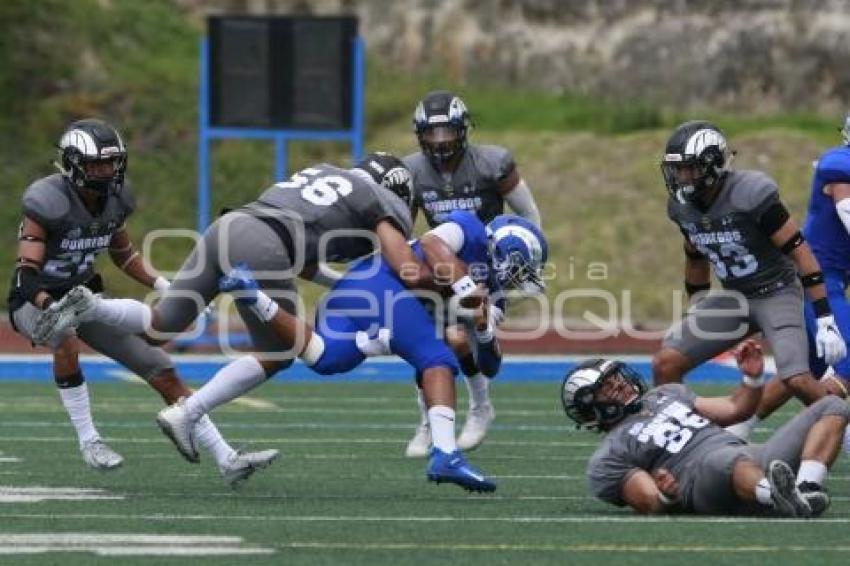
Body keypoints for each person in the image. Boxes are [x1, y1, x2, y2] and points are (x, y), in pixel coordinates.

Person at [34, 152, 424, 463]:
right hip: (264, 245)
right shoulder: (382, 200)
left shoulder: (329, 175)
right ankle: (186, 413)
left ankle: (89, 306)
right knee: (281, 352)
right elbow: (403, 266)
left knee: (161, 325)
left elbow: (303, 256)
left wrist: (340, 283)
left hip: (230, 226)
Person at [158, 211, 547, 493]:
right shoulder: (471, 228)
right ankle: (445, 454)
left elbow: (491, 364)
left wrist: (481, 327)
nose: (520, 280)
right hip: (380, 281)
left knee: (326, 359)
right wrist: (463, 288)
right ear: (510, 251)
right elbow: (432, 243)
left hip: (356, 293)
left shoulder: (493, 295)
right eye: (523, 268)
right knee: (437, 359)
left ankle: (251, 293)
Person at [9, 118, 277, 485]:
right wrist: (47, 304)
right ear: (73, 164)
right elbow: (26, 275)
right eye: (96, 164)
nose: (106, 172)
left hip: (84, 297)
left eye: (111, 162)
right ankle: (90, 441)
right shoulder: (47, 202)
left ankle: (227, 459)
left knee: (160, 367)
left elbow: (125, 255)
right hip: (34, 300)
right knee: (65, 339)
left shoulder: (114, 200)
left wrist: (166, 285)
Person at [652, 120, 847, 440]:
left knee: (797, 378)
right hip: (735, 298)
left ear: (713, 164)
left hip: (778, 293)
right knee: (666, 363)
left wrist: (824, 315)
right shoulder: (680, 208)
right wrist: (699, 308)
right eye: (678, 170)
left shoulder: (752, 192)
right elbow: (696, 258)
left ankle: (841, 421)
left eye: (690, 169)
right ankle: (680, 443)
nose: (682, 177)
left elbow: (800, 251)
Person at [402, 90, 543, 456]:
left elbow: (529, 217)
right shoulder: (412, 171)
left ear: (463, 129)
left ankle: (480, 406)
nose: (440, 141)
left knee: (473, 342)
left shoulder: (491, 163)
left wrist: (528, 266)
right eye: (431, 134)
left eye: (447, 132)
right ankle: (430, 420)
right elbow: (401, 229)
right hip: (441, 267)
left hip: (488, 269)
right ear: (419, 135)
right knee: (431, 341)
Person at [562, 339, 848, 517]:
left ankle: (804, 489)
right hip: (698, 479)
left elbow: (736, 409)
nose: (620, 385)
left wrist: (752, 379)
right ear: (589, 407)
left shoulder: (665, 394)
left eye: (617, 378)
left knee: (831, 406)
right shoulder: (610, 454)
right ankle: (775, 495)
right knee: (725, 460)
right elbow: (649, 500)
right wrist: (666, 494)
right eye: (607, 388)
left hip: (744, 454)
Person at [802, 114, 850, 422]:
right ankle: (836, 430)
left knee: (801, 374)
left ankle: (738, 428)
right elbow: (847, 211)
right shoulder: (839, 162)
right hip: (816, 279)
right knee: (848, 363)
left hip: (830, 278)